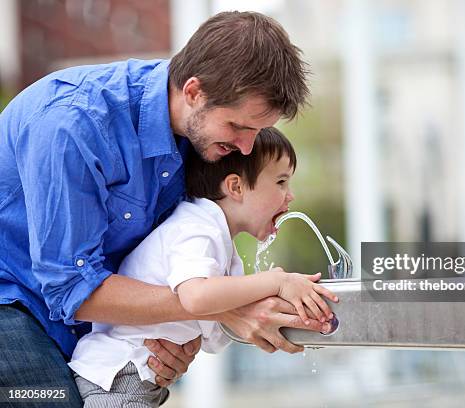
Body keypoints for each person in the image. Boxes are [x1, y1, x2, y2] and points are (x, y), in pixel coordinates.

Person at [0, 11, 331, 406]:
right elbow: (72, 287)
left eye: (257, 131)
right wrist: (224, 307)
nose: (246, 148)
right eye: (238, 127)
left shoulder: (201, 137)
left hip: (87, 333)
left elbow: (157, 267)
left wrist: (177, 332)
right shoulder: (72, 125)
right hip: (12, 304)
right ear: (194, 92)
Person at [69, 127, 337, 407]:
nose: (290, 195)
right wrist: (277, 282)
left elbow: (216, 338)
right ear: (235, 187)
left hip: (139, 375)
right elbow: (195, 297)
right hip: (120, 373)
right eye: (281, 182)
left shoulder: (219, 240)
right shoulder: (196, 228)